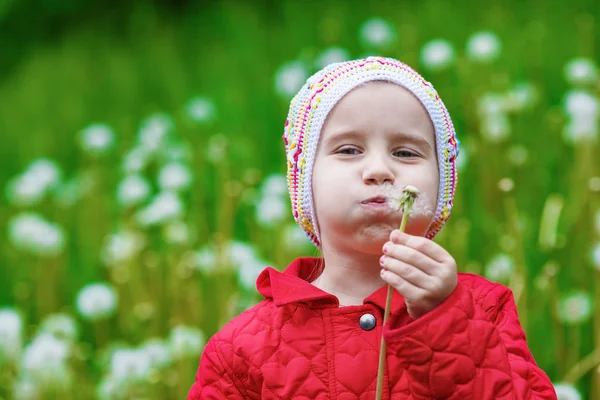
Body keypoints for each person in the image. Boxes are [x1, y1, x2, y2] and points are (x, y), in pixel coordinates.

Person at [188, 56, 557, 399]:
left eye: (406, 153)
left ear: (442, 184)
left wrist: (444, 321)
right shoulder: (239, 348)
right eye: (349, 150)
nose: (380, 170)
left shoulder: (484, 310)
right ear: (305, 184)